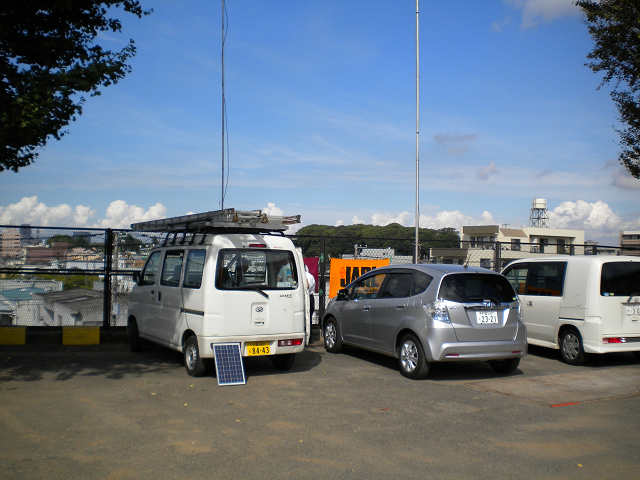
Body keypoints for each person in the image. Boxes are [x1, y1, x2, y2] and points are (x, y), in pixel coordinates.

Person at [305, 265, 316, 341]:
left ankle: (308, 337)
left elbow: (307, 286)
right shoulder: (311, 276)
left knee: (306, 318)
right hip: (311, 297)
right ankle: (310, 337)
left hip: (306, 297)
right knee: (309, 318)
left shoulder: (306, 276)